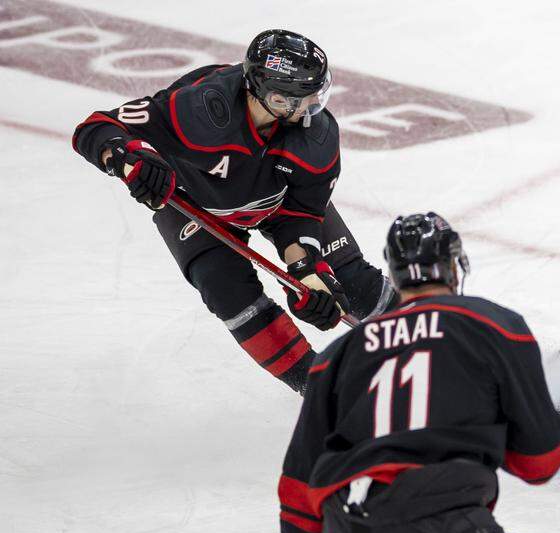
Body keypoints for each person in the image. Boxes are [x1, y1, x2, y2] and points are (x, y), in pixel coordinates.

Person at [260, 212, 560, 533]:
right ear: (454, 268)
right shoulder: (494, 326)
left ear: (395, 278)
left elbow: (299, 480)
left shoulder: (338, 356)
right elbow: (540, 463)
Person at [71, 29, 395, 393]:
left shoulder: (317, 138)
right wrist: (127, 155)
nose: (312, 108)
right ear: (268, 94)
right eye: (300, 99)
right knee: (227, 291)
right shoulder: (199, 107)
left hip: (276, 202)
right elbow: (96, 127)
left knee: (349, 280)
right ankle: (319, 391)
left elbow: (302, 215)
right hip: (197, 209)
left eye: (316, 94)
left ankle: (439, 334)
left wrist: (306, 270)